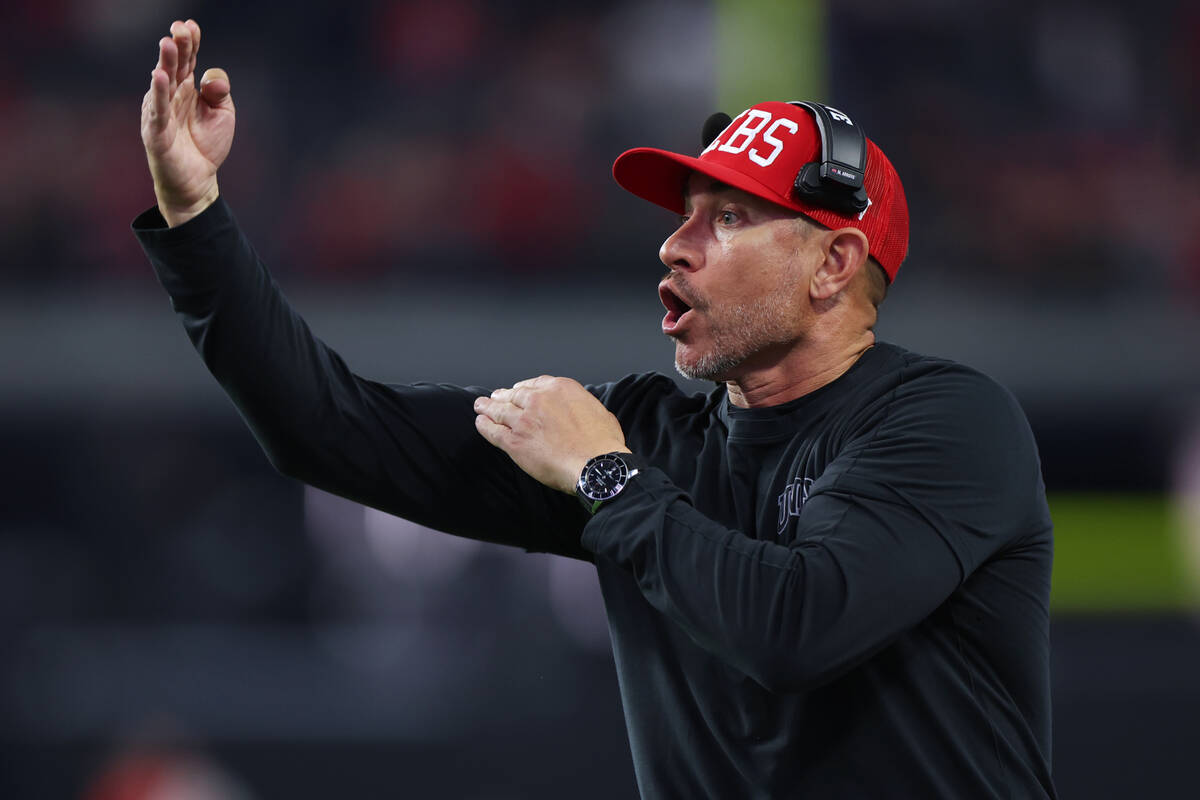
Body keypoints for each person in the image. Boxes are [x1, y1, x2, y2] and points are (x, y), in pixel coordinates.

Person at [135, 19, 1057, 800]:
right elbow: (332, 429)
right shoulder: (645, 434)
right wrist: (195, 217)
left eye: (728, 218)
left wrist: (606, 479)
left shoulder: (947, 424)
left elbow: (794, 628)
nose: (675, 244)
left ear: (835, 264)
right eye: (683, 212)